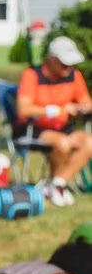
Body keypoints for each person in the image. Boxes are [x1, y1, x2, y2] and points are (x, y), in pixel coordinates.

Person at [16, 34, 92, 204]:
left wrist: (83, 107)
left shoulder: (74, 75)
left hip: (63, 127)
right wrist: (57, 110)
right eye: (65, 64)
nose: (68, 69)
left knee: (88, 142)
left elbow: (86, 100)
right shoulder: (32, 75)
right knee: (62, 143)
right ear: (51, 60)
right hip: (33, 128)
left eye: (71, 65)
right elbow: (23, 109)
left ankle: (58, 183)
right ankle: (55, 187)